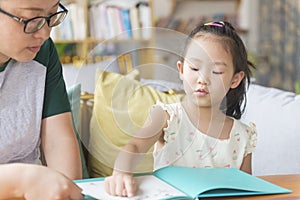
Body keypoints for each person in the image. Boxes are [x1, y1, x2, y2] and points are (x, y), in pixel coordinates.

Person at [104, 21, 257, 197]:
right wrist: (121, 173)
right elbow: (135, 146)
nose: (202, 79)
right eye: (194, 68)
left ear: (235, 80)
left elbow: (246, 191)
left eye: (216, 71)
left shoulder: (244, 136)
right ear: (181, 69)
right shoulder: (166, 117)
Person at [0, 0, 83, 199]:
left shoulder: (43, 52)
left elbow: (58, 141)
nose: (45, 34)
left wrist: (67, 190)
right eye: (30, 18)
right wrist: (23, 180)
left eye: (51, 15)